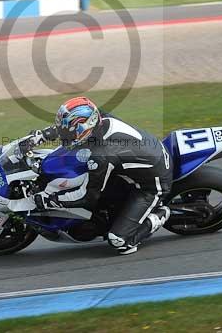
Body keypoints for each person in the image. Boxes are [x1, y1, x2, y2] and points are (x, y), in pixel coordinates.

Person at [24, 96, 172, 255]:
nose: (63, 135)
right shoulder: (97, 116)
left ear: (84, 130)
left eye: (67, 133)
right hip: (142, 157)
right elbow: (67, 126)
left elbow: (87, 197)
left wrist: (51, 200)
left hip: (152, 184)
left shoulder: (101, 156)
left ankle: (160, 214)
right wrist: (43, 135)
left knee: (119, 241)